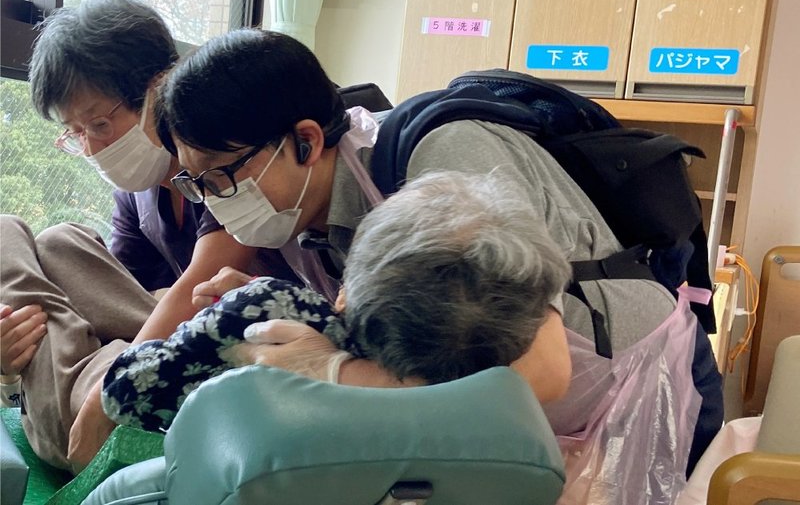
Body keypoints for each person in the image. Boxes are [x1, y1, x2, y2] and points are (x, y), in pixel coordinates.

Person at [156, 29, 722, 473]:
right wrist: (292, 315)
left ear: (305, 140)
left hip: (641, 393)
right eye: (196, 183)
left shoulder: (446, 162)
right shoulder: (311, 226)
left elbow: (542, 370)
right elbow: (421, 333)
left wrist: (336, 373)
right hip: (531, 422)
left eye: (221, 175)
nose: (214, 199)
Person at [0, 0, 296, 472]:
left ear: (159, 88)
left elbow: (197, 287)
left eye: (99, 123)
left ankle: (65, 401)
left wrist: (106, 394)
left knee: (8, 236)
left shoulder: (221, 165)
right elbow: (114, 304)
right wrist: (10, 365)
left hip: (213, 350)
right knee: (58, 242)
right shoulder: (138, 194)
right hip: (145, 353)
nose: (91, 148)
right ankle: (62, 389)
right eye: (77, 133)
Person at [100, 170, 573, 431]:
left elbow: (122, 391)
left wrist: (245, 307)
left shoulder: (272, 313)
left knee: (64, 250)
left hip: (143, 411)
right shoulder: (499, 424)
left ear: (346, 289)